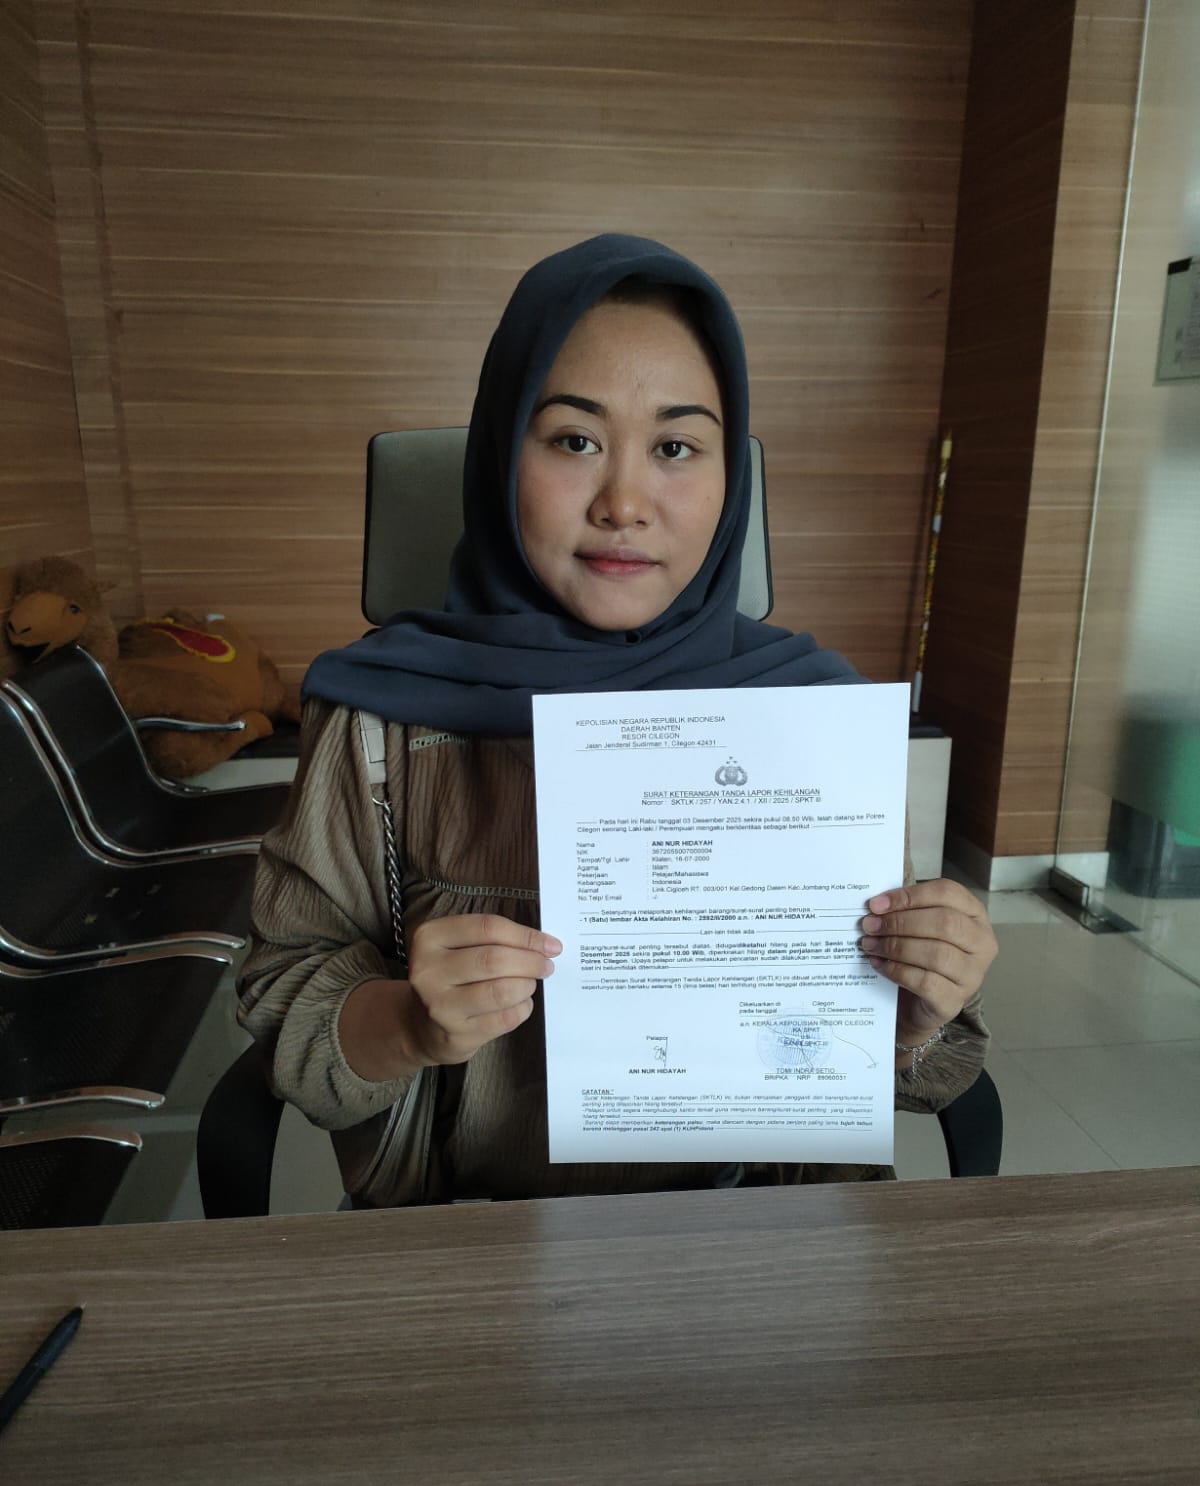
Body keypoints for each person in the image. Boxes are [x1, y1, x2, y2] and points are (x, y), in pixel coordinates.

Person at [237, 233, 998, 1207]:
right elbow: (285, 1007)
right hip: (476, 1237)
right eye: (574, 440)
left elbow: (917, 1073)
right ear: (499, 454)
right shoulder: (382, 716)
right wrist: (409, 1023)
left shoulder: (811, 717)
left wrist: (920, 1006)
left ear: (730, 482)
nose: (626, 503)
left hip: (769, 1227)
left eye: (676, 447)